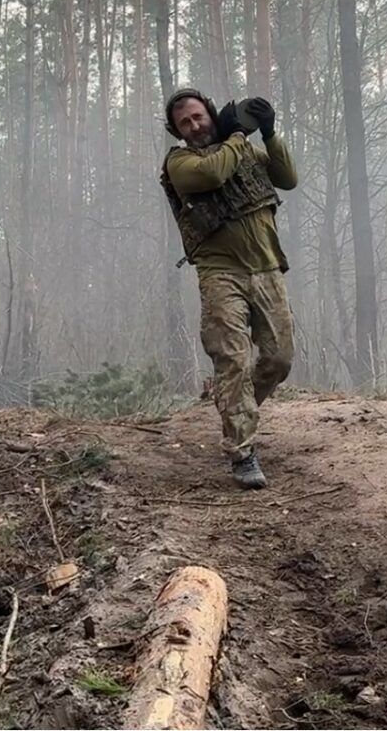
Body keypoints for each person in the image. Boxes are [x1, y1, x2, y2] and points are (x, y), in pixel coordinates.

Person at [159, 88, 298, 488]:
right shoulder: (181, 163)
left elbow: (287, 178)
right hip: (221, 273)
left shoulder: (244, 151)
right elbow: (214, 173)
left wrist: (269, 133)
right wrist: (239, 134)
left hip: (268, 267)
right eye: (185, 122)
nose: (194, 125)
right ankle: (241, 451)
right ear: (177, 131)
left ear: (211, 115)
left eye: (199, 116)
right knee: (233, 360)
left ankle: (235, 406)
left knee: (279, 359)